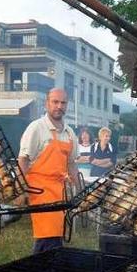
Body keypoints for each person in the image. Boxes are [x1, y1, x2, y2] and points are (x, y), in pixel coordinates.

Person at [18, 88, 79, 253]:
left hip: (60, 191)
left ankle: (49, 271)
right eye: (55, 102)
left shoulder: (69, 132)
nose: (59, 106)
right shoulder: (36, 128)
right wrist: (22, 191)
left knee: (56, 235)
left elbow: (72, 164)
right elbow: (23, 160)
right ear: (47, 104)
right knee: (47, 236)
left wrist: (81, 192)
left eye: (63, 103)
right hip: (39, 190)